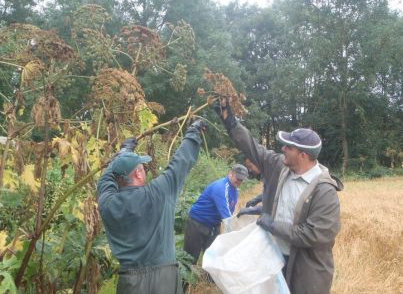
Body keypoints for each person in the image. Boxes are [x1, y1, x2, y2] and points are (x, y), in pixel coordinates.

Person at [215, 101, 344, 294]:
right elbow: (253, 148)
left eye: (289, 147)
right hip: (272, 259)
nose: (283, 148)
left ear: (302, 155)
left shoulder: (325, 192)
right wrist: (231, 122)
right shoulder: (280, 167)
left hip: (305, 270)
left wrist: (272, 224)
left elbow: (312, 235)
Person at [97, 119, 207, 294]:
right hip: (165, 280)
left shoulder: (107, 204)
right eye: (142, 167)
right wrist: (194, 132)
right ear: (139, 174)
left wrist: (123, 154)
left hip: (130, 283)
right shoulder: (158, 194)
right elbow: (180, 163)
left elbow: (105, 179)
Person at [183, 163, 249, 263]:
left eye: (242, 180)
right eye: (238, 178)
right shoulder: (221, 188)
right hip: (198, 223)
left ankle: (208, 277)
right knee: (190, 258)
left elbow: (230, 213)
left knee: (213, 258)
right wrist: (231, 241)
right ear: (231, 173)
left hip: (213, 226)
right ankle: (185, 278)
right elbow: (227, 219)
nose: (239, 181)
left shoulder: (234, 190)